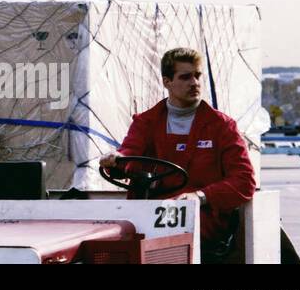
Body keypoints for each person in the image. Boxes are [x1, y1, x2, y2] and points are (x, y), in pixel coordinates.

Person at [99, 47, 256, 261]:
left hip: (202, 219)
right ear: (167, 82)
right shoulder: (146, 122)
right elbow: (129, 154)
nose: (194, 83)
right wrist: (114, 161)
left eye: (197, 75)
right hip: (150, 215)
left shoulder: (222, 126)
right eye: (185, 77)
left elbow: (244, 181)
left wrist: (201, 197)